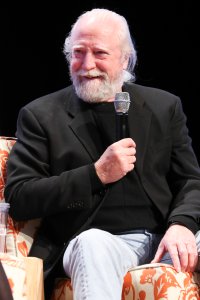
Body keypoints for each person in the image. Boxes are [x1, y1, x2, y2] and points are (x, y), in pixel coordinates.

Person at [4, 8, 200, 300]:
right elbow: (20, 197)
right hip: (100, 242)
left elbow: (189, 181)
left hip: (166, 238)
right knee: (92, 243)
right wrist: (95, 174)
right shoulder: (41, 115)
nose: (87, 64)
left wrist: (182, 224)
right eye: (78, 52)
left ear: (125, 59)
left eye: (100, 53)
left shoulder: (163, 107)